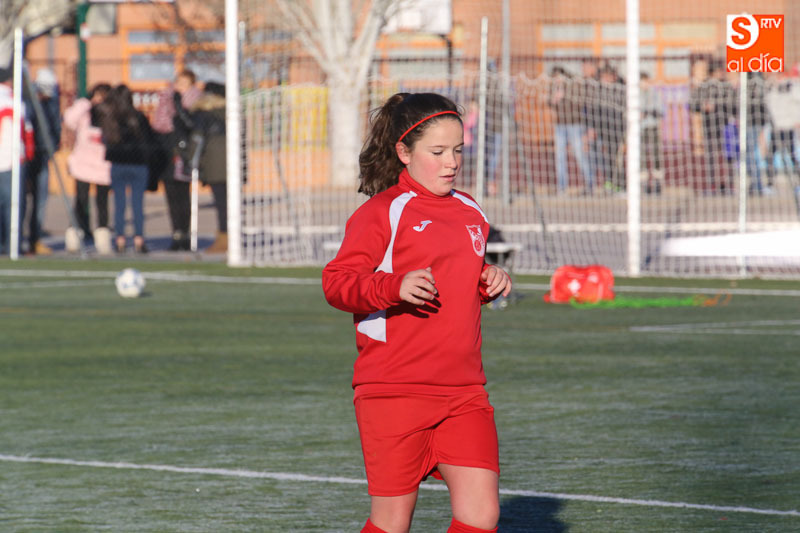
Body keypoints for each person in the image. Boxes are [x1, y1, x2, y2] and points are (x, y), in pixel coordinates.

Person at [322, 92, 512, 533]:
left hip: (464, 391)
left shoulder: (470, 211)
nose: (452, 163)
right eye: (438, 152)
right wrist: (393, 286)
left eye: (458, 150)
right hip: (394, 391)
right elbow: (336, 283)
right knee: (392, 522)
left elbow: (459, 277)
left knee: (481, 515)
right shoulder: (382, 211)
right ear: (404, 153)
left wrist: (487, 281)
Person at [94, 84, 154, 253]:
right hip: (138, 164)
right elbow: (149, 140)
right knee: (137, 204)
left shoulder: (111, 118)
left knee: (119, 204)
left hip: (118, 163)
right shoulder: (139, 117)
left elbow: (105, 139)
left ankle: (120, 239)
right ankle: (139, 239)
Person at [151, 69, 202, 251]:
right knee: (171, 195)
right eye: (178, 82)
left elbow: (191, 125)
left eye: (184, 83)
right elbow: (158, 124)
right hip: (167, 151)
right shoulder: (167, 99)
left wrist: (179, 108)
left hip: (184, 153)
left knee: (183, 195)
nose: (179, 86)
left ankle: (186, 234)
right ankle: (176, 233)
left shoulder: (195, 102)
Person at [63, 82, 113, 254]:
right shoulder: (85, 113)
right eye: (97, 96)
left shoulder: (110, 115)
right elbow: (69, 119)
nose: (99, 100)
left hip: (103, 167)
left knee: (102, 203)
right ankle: (74, 237)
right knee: (80, 201)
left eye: (103, 96)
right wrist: (85, 103)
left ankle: (103, 240)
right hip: (83, 165)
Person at [22, 67, 61, 255]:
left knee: (41, 200)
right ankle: (14, 239)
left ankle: (35, 239)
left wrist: (53, 146)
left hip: (43, 155)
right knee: (20, 199)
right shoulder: (26, 101)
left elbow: (55, 126)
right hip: (25, 157)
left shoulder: (51, 102)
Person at [187, 81, 227, 254]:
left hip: (215, 165)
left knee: (221, 203)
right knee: (228, 204)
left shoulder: (204, 115)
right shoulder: (230, 113)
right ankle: (229, 237)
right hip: (232, 165)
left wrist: (192, 161)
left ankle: (225, 238)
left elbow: (197, 140)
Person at [0, 67, 31, 255]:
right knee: (13, 204)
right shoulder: (14, 101)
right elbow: (24, 131)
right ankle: (12, 245)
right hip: (10, 160)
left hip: (7, 159)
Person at [548, 65, 592, 195]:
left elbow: (580, 103)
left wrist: (565, 95)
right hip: (560, 125)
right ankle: (562, 187)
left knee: (579, 154)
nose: (556, 80)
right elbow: (549, 102)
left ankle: (589, 184)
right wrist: (553, 100)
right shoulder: (554, 87)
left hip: (574, 125)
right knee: (560, 156)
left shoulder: (573, 85)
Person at [765, 67, 800, 184]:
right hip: (776, 127)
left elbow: (795, 104)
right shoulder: (772, 87)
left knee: (791, 155)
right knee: (770, 155)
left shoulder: (791, 86)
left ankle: (798, 177)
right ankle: (770, 182)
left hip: (787, 126)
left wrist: (796, 120)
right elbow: (770, 103)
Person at [640, 72, 665, 194]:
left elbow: (661, 110)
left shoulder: (654, 93)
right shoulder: (635, 94)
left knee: (656, 155)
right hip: (640, 129)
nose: (644, 84)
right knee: (642, 156)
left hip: (653, 127)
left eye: (646, 81)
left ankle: (658, 182)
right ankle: (644, 183)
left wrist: (649, 112)